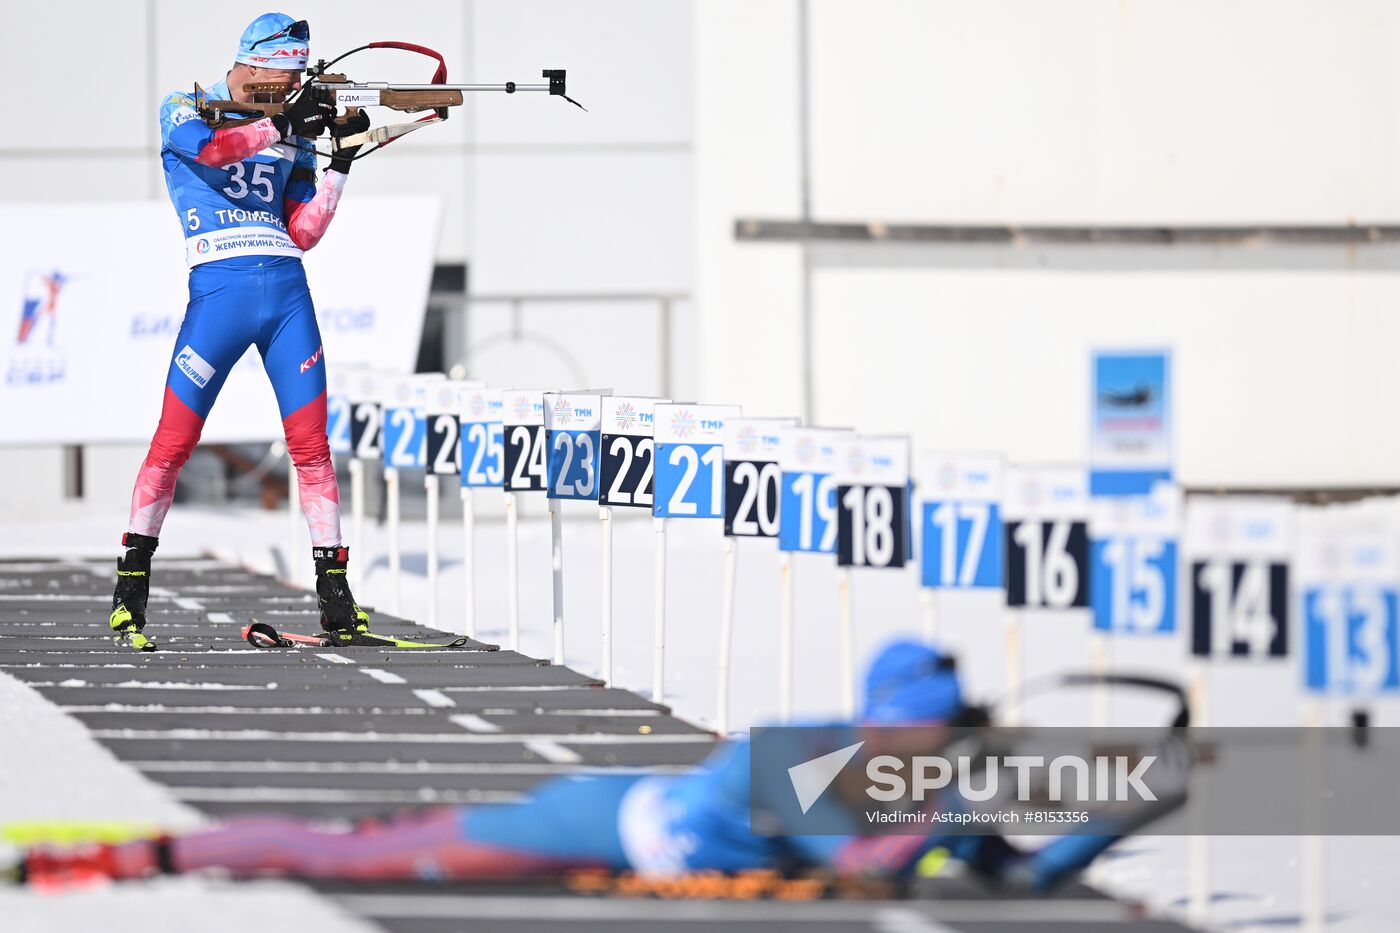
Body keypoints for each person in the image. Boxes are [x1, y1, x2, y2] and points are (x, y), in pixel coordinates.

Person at [19, 641, 1155, 893]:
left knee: (379, 841)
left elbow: (1015, 879)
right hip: (600, 827)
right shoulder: (801, 761)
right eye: (940, 729)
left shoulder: (886, 761)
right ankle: (113, 859)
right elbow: (861, 863)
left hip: (634, 809)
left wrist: (1127, 814)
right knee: (361, 858)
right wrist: (945, 820)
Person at [110, 13, 370, 651]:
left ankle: (337, 601)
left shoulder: (290, 124)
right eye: (282, 73)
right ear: (250, 62)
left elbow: (303, 232)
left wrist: (338, 161)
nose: (290, 84)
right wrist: (284, 123)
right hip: (219, 293)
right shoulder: (187, 105)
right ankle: (129, 595)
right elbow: (212, 150)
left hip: (286, 295)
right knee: (173, 445)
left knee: (312, 448)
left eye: (297, 77)